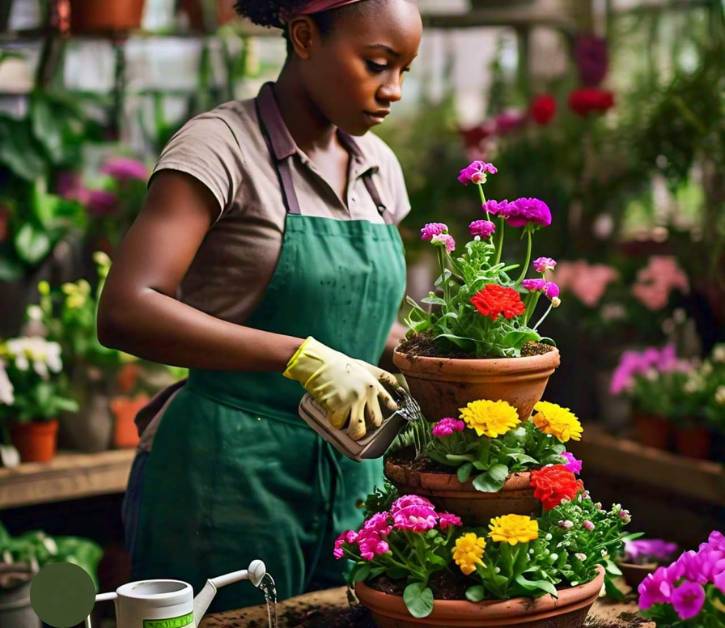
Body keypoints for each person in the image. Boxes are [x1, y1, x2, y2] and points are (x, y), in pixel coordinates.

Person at [97, 0, 422, 613]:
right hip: (225, 477)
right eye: (378, 64)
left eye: (405, 69)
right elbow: (126, 308)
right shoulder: (221, 147)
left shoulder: (380, 168)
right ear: (303, 37)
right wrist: (298, 356)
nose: (394, 90)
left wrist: (439, 373)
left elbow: (363, 318)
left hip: (352, 479)